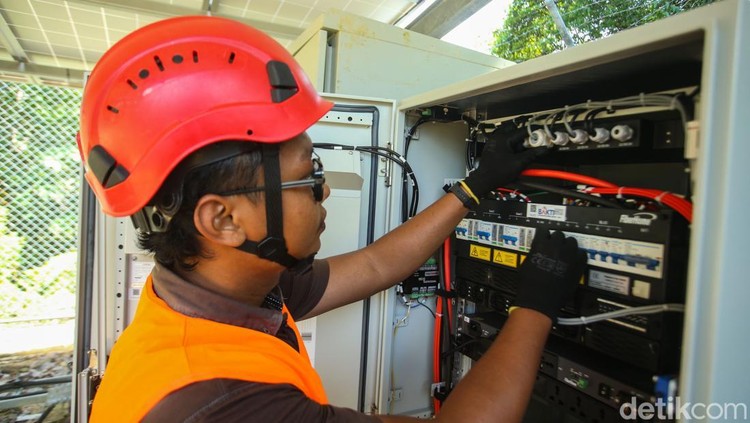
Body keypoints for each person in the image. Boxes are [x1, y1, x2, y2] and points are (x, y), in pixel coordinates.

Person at [77, 15, 586, 423]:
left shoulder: (215, 292)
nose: (324, 192)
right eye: (308, 176)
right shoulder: (222, 401)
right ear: (224, 220)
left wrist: (475, 187)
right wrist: (535, 306)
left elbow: (373, 266)